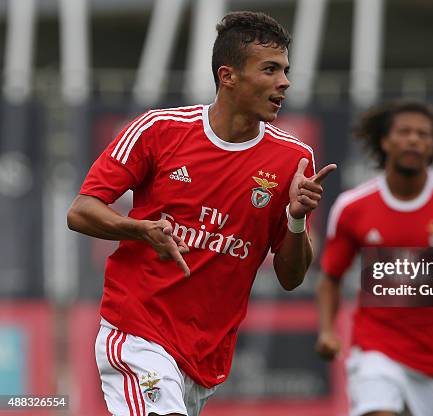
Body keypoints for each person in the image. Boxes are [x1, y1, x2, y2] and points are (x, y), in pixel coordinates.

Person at [67, 11, 336, 416]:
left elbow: (291, 276)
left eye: (285, 70)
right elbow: (81, 211)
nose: (285, 82)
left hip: (205, 356)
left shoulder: (294, 158)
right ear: (228, 76)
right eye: (270, 69)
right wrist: (140, 230)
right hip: (137, 331)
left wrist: (296, 218)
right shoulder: (160, 129)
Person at [315, 100, 433, 416]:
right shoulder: (353, 207)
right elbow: (331, 277)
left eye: (423, 134)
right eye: (404, 132)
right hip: (375, 348)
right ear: (385, 141)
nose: (414, 139)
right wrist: (327, 330)